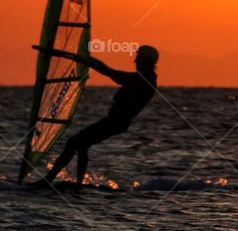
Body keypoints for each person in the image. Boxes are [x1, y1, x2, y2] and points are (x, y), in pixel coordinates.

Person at [34, 43, 159, 187]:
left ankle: (49, 180)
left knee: (73, 142)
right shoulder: (144, 77)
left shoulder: (144, 80)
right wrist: (87, 60)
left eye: (138, 57)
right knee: (82, 144)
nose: (135, 60)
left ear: (146, 60)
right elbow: (111, 72)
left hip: (117, 122)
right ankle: (78, 183)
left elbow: (111, 73)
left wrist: (87, 61)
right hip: (116, 121)